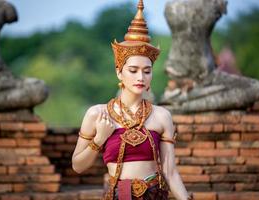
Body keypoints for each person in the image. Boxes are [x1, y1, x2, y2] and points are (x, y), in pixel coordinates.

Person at [72, 0, 190, 199]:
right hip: (121, 195)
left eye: (147, 71)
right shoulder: (98, 114)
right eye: (133, 70)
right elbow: (77, 166)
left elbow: (170, 172)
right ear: (119, 73)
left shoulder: (161, 116)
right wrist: (99, 139)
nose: (140, 77)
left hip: (154, 194)